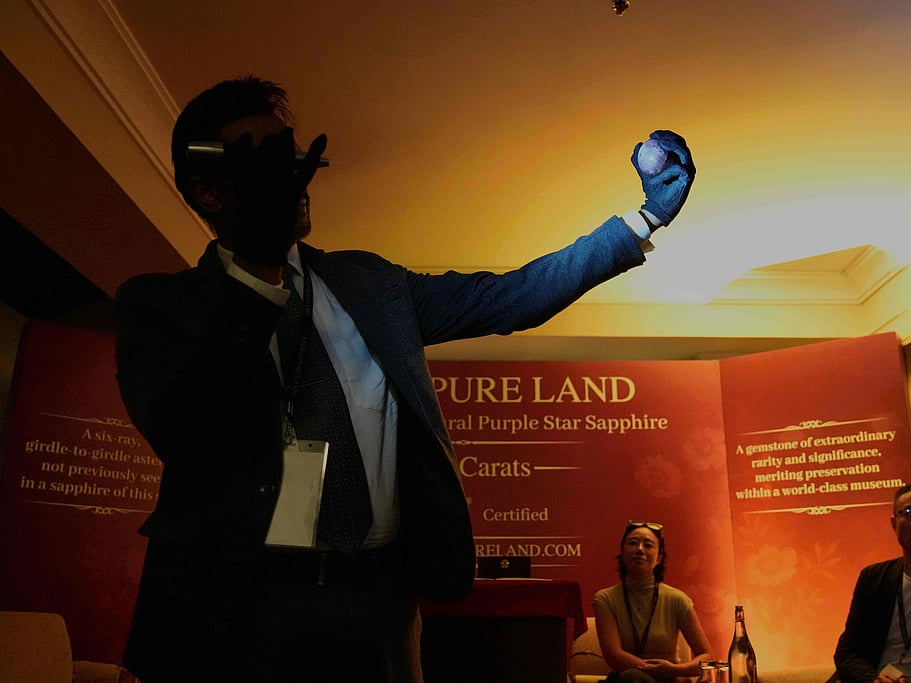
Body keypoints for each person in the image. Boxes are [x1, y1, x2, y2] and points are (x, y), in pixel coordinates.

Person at [114, 75, 696, 683]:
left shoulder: (371, 285)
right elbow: (190, 435)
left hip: (378, 611)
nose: (290, 176)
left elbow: (512, 296)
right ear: (208, 191)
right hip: (234, 614)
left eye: (288, 153)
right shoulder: (160, 308)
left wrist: (644, 218)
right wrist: (259, 275)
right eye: (261, 162)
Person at [592, 521, 712, 683]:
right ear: (622, 552)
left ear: (659, 558)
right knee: (631, 677)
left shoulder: (677, 599)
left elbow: (707, 656)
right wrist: (655, 671)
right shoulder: (605, 599)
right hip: (625, 679)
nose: (639, 549)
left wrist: (673, 670)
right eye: (633, 543)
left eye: (648, 545)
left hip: (669, 679)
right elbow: (613, 656)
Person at [833, 484, 911, 683]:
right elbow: (847, 652)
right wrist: (872, 680)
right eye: (909, 512)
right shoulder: (874, 579)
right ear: (894, 525)